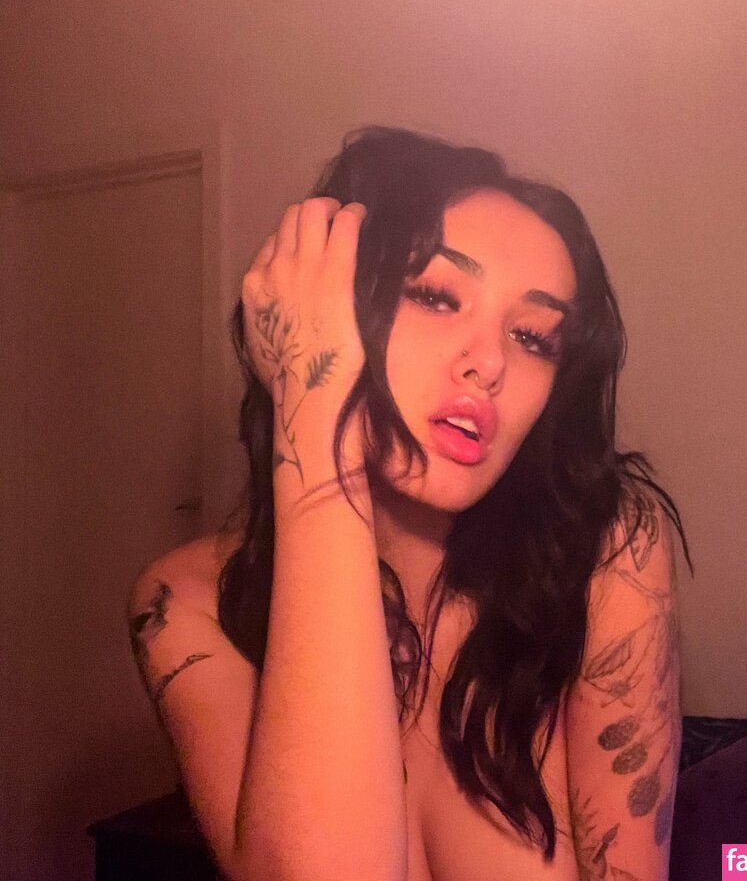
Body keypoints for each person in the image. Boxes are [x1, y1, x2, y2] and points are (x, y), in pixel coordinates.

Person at [127, 126, 691, 881]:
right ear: (325, 308)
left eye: (533, 337)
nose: (489, 363)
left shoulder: (603, 554)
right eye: (434, 295)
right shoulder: (186, 602)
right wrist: (315, 405)